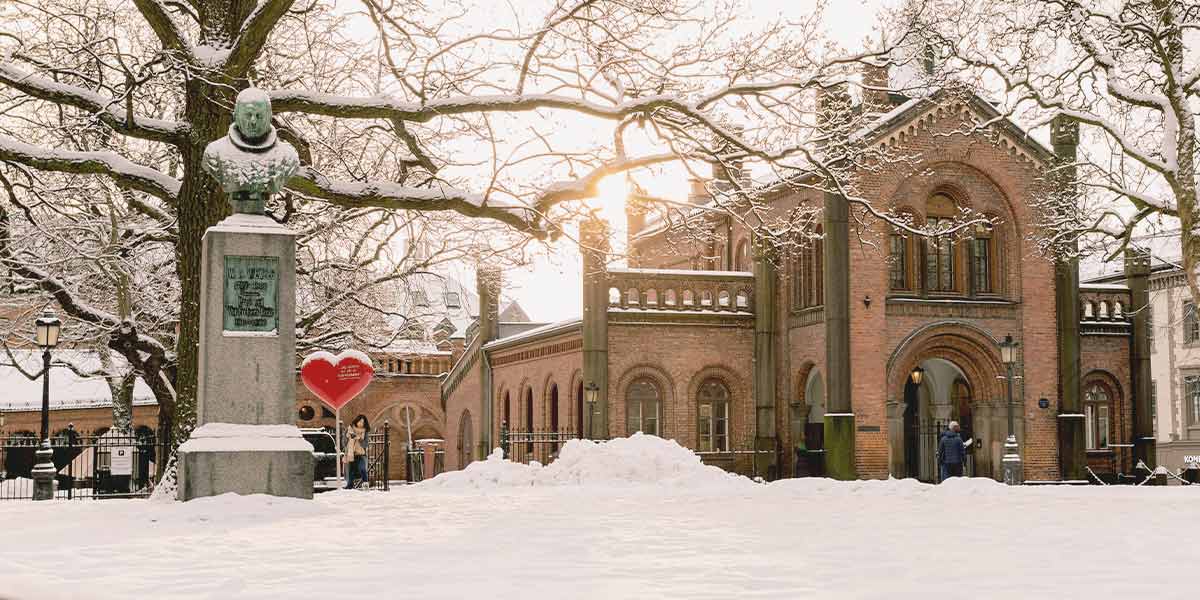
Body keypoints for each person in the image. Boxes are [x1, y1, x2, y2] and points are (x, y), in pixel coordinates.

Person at [343, 415, 370, 489]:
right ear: (356, 421)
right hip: (351, 453)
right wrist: (350, 440)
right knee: (351, 471)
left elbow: (365, 444)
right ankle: (350, 485)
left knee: (362, 468)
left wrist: (359, 439)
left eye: (363, 422)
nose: (361, 423)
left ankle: (365, 485)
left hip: (361, 453)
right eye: (360, 421)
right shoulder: (349, 429)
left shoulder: (365, 431)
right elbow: (344, 441)